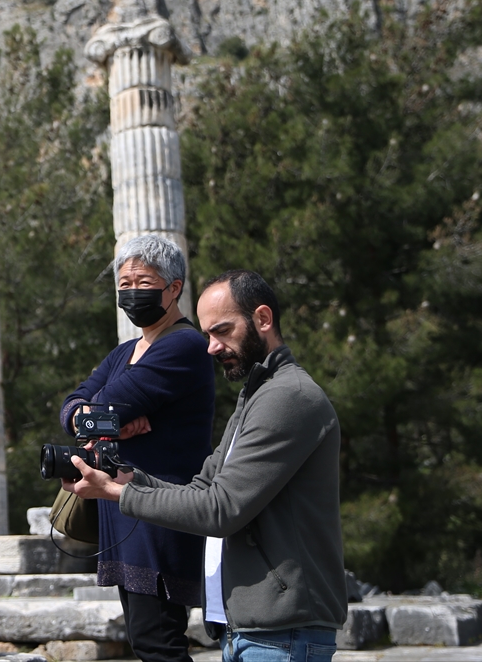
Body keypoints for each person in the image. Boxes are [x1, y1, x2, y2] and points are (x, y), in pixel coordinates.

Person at [63, 269, 347, 662]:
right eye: (208, 333)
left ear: (262, 319)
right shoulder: (256, 398)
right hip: (251, 630)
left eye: (222, 331)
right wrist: (127, 477)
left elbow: (221, 509)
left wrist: (118, 492)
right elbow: (202, 488)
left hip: (282, 634)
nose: (211, 347)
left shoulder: (289, 398)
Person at [58, 235, 215, 662]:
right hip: (126, 514)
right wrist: (113, 425)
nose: (131, 291)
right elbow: (73, 411)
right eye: (123, 283)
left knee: (159, 642)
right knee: (146, 640)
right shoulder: (125, 351)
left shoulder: (185, 345)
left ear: (174, 287)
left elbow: (100, 406)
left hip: (159, 511)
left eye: (142, 281)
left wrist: (101, 418)